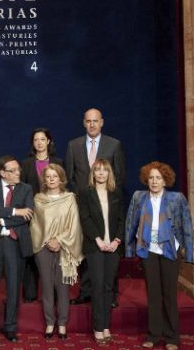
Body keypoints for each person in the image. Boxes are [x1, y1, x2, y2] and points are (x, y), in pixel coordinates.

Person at [125, 161, 193, 350]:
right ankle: (154, 335)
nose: (154, 181)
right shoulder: (139, 197)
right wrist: (130, 250)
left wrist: (189, 254)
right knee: (153, 295)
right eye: (151, 178)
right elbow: (130, 223)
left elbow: (186, 225)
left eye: (158, 178)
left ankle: (172, 337)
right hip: (149, 251)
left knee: (169, 295)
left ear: (165, 181)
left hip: (170, 250)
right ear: (147, 180)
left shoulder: (176, 198)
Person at [65, 108, 126, 306]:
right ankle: (86, 292)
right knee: (87, 248)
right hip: (83, 207)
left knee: (109, 251)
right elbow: (70, 176)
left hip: (107, 205)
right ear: (84, 123)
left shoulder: (113, 144)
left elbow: (119, 176)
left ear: (102, 122)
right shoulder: (74, 145)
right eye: (88, 121)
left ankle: (111, 294)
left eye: (95, 121)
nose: (92, 124)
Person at [0, 156, 34, 343]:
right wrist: (13, 211)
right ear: (3, 173)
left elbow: (27, 215)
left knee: (13, 287)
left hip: (14, 243)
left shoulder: (26, 188)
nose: (18, 173)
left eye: (19, 169)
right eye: (13, 170)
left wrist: (2, 219)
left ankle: (10, 327)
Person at [29, 163, 83, 341]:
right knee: (46, 286)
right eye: (48, 176)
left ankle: (62, 323)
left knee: (62, 287)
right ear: (44, 179)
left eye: (55, 176)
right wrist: (47, 241)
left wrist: (59, 240)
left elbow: (74, 225)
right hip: (43, 247)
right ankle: (50, 322)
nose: (51, 179)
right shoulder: (38, 199)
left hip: (64, 247)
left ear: (61, 179)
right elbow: (35, 225)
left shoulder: (69, 198)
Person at [78, 158, 124, 345]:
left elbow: (122, 219)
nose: (101, 173)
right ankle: (98, 329)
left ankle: (106, 327)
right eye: (97, 170)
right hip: (94, 246)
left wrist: (116, 241)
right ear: (93, 173)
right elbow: (85, 218)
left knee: (108, 288)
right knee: (97, 287)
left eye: (105, 170)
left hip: (113, 247)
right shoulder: (86, 193)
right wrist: (98, 240)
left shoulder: (116, 192)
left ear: (109, 173)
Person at [19, 127, 64, 303]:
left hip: (54, 215)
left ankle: (53, 294)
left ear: (48, 142)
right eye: (35, 139)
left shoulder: (58, 161)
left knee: (52, 255)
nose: (39, 142)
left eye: (42, 139)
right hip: (33, 215)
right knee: (33, 253)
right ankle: (30, 294)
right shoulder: (26, 164)